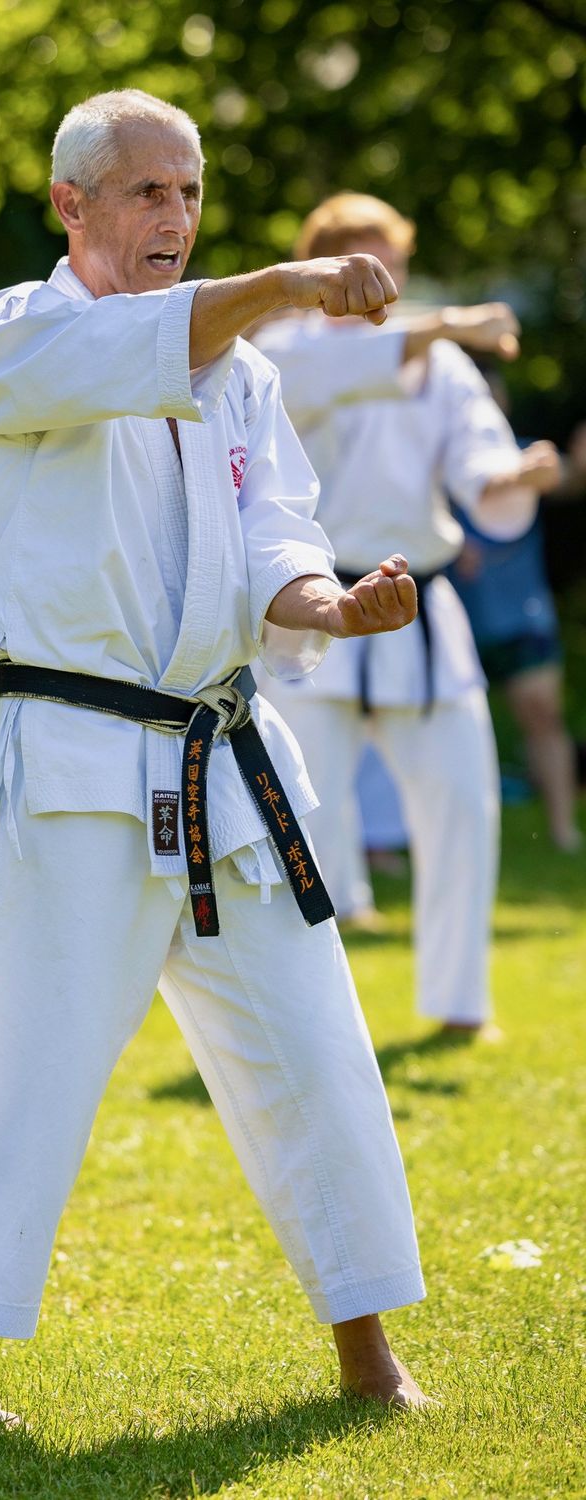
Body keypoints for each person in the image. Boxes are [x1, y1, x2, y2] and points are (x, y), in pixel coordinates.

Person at [0, 91, 432, 1429]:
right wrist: (295, 281)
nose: (174, 219)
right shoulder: (18, 339)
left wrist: (331, 603)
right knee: (27, 1066)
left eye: (188, 193)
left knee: (314, 1051)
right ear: (70, 205)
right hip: (75, 762)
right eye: (145, 193)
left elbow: (271, 537)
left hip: (229, 762)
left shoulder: (239, 372)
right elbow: (137, 350)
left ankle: (369, 1358)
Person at [253, 193, 560, 1032]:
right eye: (356, 260)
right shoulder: (282, 352)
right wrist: (452, 324)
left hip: (422, 607)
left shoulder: (445, 364)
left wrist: (516, 477)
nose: (375, 280)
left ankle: (460, 1005)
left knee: (462, 802)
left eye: (388, 259)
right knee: (297, 819)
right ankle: (296, 1013)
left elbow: (478, 468)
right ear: (322, 267)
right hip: (312, 604)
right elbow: (357, 368)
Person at [449, 405, 584, 853]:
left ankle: (563, 830)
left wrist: (578, 465)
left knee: (543, 713)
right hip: (453, 617)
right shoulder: (435, 456)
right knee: (453, 729)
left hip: (522, 613)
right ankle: (456, 838)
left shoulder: (521, 454)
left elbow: (563, 478)